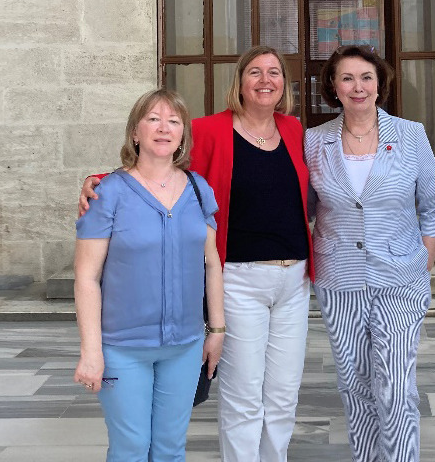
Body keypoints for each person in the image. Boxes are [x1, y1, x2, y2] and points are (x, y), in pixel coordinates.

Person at [80, 46, 312, 462]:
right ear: (238, 83)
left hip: (293, 278)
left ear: (285, 85)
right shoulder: (209, 129)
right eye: (254, 72)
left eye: (274, 72)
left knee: (282, 395)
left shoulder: (293, 131)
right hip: (240, 275)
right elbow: (156, 159)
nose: (265, 80)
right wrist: (98, 181)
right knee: (242, 395)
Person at [304, 44, 435, 462]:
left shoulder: (410, 134)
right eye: (346, 78)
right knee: (354, 383)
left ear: (380, 84)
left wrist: (425, 260)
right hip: (339, 281)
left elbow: (434, 205)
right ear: (333, 86)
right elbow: (305, 209)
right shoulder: (314, 141)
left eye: (366, 77)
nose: (358, 86)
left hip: (400, 280)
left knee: (396, 385)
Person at [73, 88, 226, 462]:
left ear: (183, 135)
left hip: (185, 346)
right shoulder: (106, 193)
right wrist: (91, 351)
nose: (164, 128)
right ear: (135, 133)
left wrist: (217, 331)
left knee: (171, 448)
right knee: (131, 448)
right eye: (153, 119)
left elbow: (211, 263)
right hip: (122, 348)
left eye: (173, 121)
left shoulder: (198, 189)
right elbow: (86, 278)